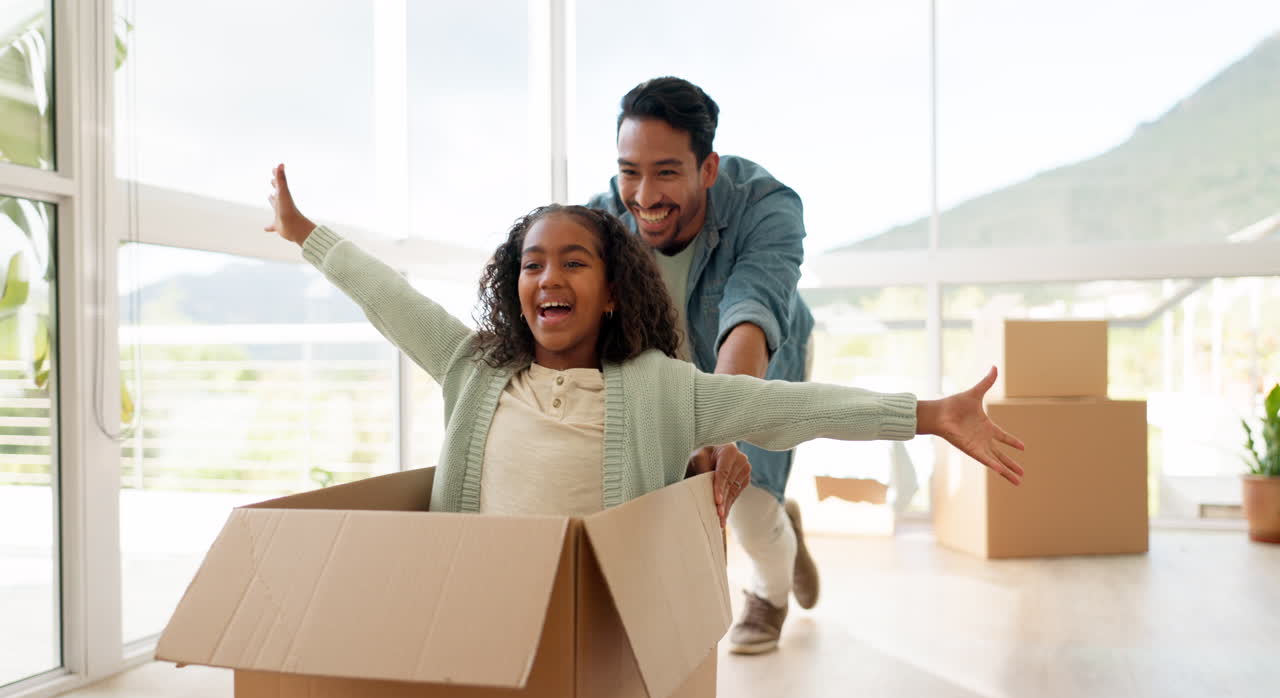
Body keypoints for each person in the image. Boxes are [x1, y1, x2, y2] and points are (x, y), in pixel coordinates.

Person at [264, 163, 1025, 541]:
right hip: (481, 595)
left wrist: (926, 414)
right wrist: (308, 235)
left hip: (596, 610)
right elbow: (392, 299)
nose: (549, 278)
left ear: (614, 290)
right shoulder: (475, 367)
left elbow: (791, 405)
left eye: (573, 262)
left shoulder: (664, 387)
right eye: (532, 264)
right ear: (513, 282)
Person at [586, 76, 821, 653]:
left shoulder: (767, 206)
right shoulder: (601, 224)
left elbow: (751, 315)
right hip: (670, 361)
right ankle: (780, 519)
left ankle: (768, 595)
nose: (642, 195)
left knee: (743, 499)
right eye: (629, 170)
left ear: (708, 169)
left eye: (666, 172)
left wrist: (721, 432)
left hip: (767, 351)